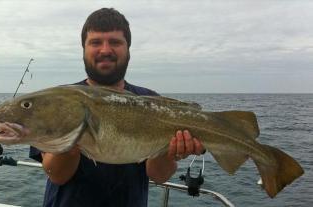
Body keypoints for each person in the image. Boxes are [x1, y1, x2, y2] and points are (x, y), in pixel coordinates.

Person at [30, 8, 205, 207]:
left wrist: (171, 151)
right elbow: (57, 176)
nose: (105, 50)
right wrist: (69, 141)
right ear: (84, 50)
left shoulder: (151, 102)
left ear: (128, 49)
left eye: (115, 42)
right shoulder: (58, 100)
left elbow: (158, 176)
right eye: (95, 42)